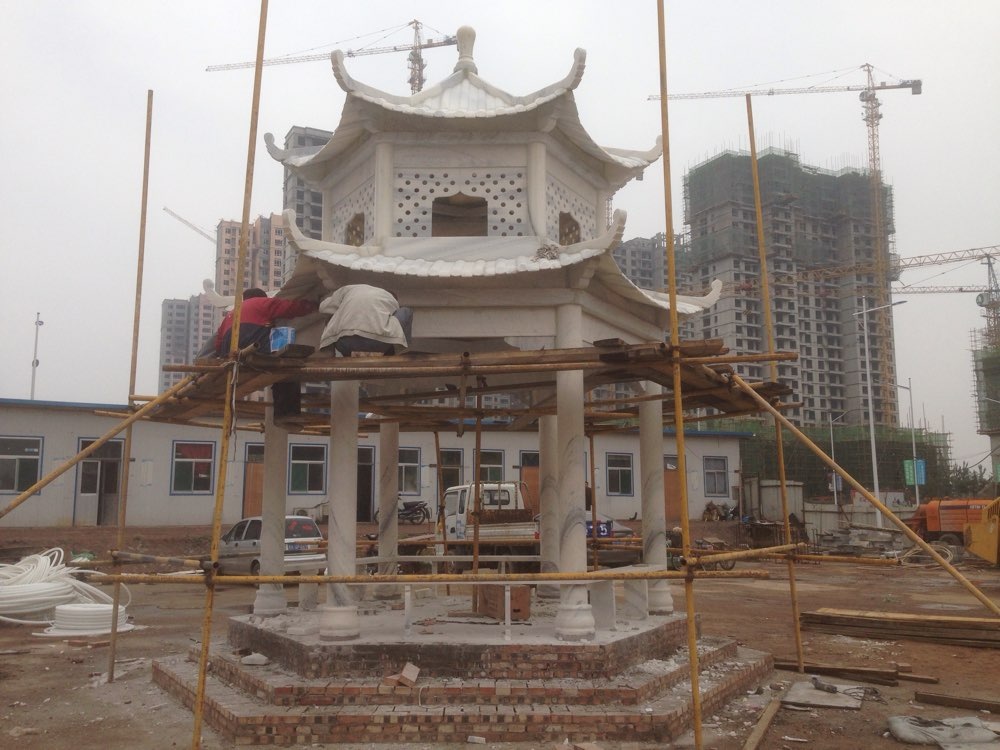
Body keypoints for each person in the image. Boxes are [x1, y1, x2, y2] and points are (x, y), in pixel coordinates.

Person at [212, 288, 317, 356]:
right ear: (263, 297)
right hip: (251, 338)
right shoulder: (263, 302)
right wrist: (312, 306)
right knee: (279, 343)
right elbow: (289, 308)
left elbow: (218, 343)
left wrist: (221, 355)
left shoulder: (231, 312)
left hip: (228, 349)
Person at [318, 284, 412, 356]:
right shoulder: (390, 299)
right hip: (379, 344)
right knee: (406, 311)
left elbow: (323, 308)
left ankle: (329, 354)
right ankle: (399, 352)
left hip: (345, 344)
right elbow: (397, 326)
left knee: (331, 316)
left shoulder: (350, 289)